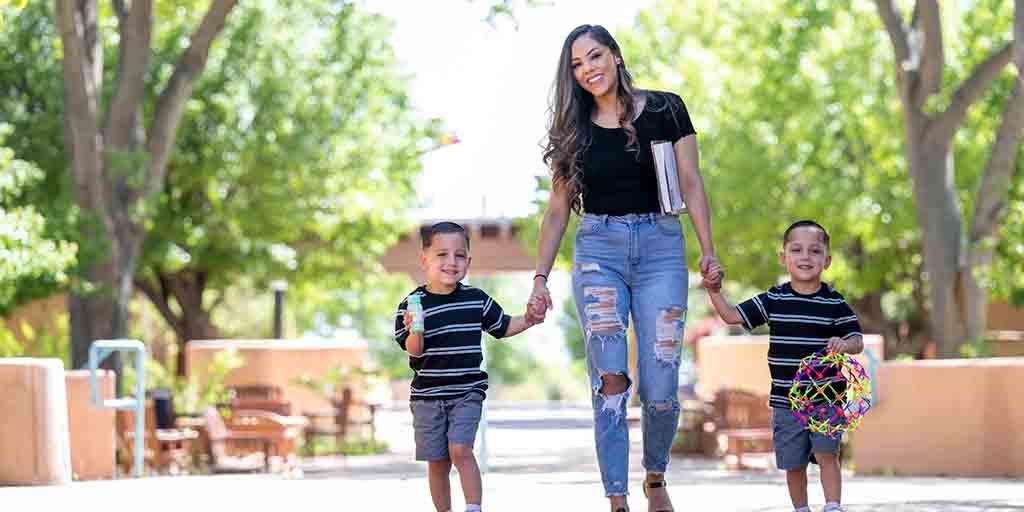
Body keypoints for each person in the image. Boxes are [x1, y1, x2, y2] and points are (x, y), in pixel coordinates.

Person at [528, 24, 720, 512]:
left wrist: (708, 250)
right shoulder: (573, 130)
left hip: (662, 246)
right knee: (610, 376)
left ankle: (654, 476)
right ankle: (616, 498)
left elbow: (692, 182)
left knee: (660, 378)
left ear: (614, 55)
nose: (588, 69)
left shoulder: (666, 109)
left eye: (595, 56)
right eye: (577, 64)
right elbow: (557, 211)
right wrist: (539, 278)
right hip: (598, 252)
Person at [702, 220, 863, 512]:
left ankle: (833, 506)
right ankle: (801, 508)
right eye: (796, 249)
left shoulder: (834, 302)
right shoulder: (774, 299)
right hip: (785, 401)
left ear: (826, 261)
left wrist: (844, 343)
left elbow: (857, 340)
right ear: (784, 257)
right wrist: (714, 291)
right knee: (794, 462)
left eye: (814, 251)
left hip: (827, 398)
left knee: (828, 454)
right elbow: (730, 316)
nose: (805, 257)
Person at [395, 221, 544, 512]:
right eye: (442, 255)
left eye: (459, 255)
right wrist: (416, 331)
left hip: (466, 392)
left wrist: (529, 318)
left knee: (460, 450)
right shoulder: (412, 304)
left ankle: (473, 507)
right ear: (424, 260)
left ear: (468, 261)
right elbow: (413, 350)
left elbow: (503, 326)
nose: (451, 262)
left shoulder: (476, 300)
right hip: (427, 397)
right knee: (437, 461)